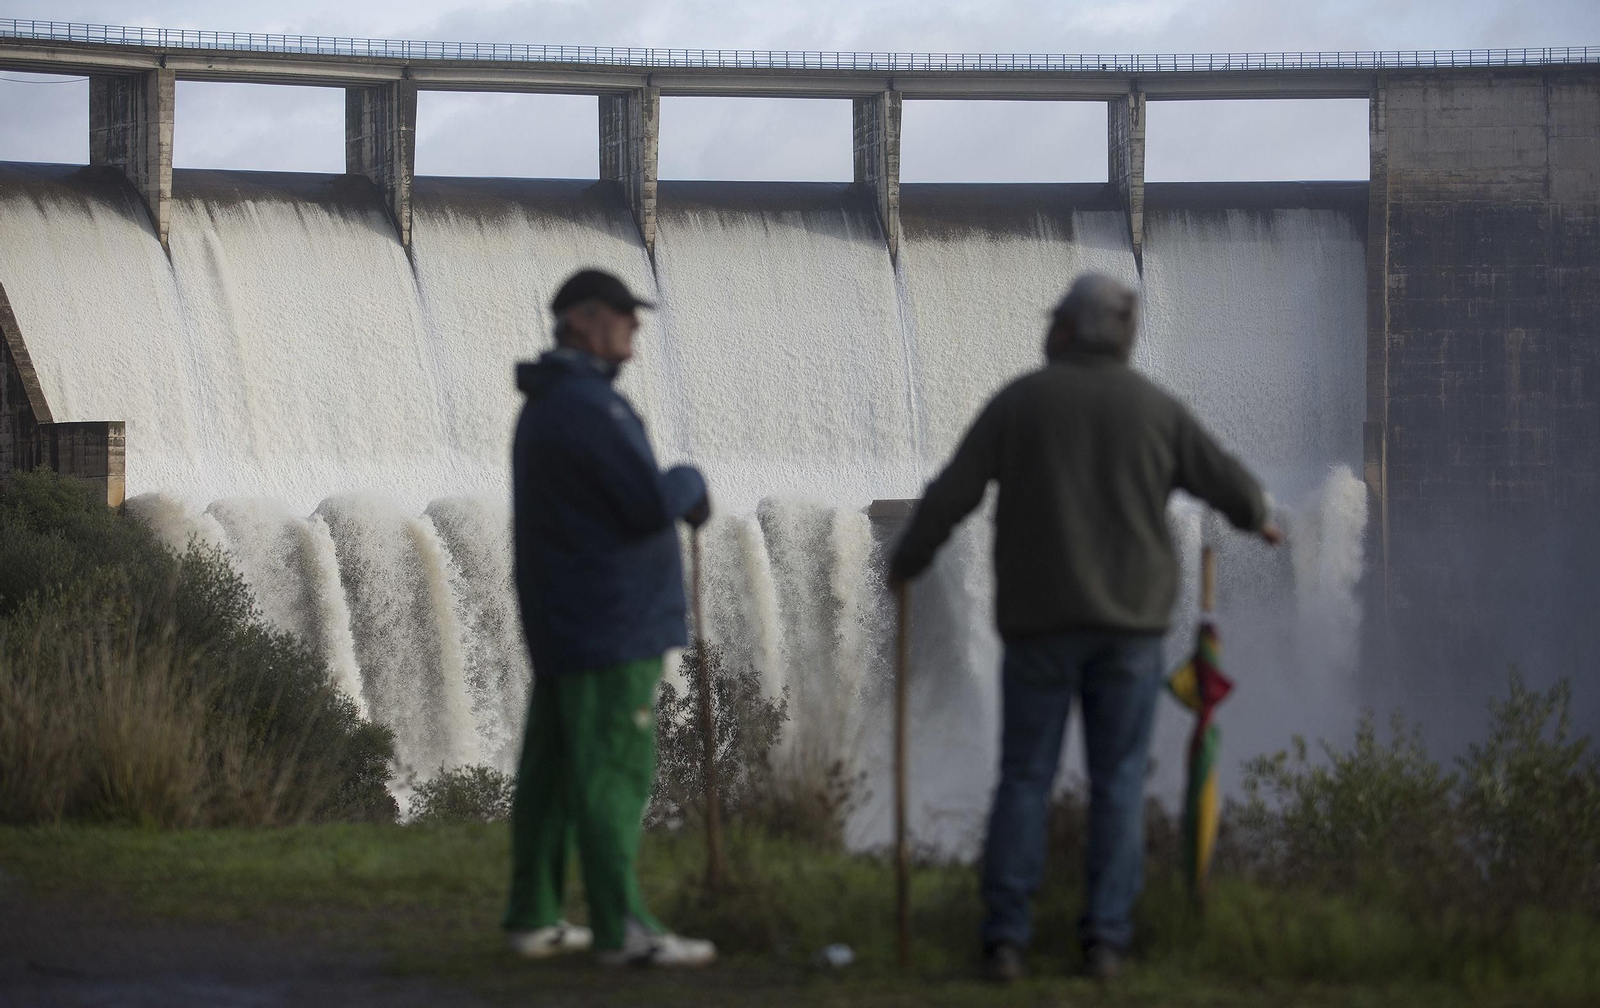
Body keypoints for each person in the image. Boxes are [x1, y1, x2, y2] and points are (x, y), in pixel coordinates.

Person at [888, 273, 1282, 984]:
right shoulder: (1156, 410)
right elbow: (1231, 485)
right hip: (1130, 630)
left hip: (1039, 627)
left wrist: (908, 560)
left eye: (1054, 322)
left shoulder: (1021, 403)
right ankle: (1105, 941)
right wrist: (1259, 520)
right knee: (1119, 783)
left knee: (1024, 777)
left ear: (1069, 330)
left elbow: (952, 492)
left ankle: (1005, 940)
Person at [504, 268, 716, 968]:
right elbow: (644, 504)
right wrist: (689, 481)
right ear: (582, 320)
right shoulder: (592, 407)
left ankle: (534, 915)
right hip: (610, 625)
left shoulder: (548, 404)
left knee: (553, 774)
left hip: (565, 620)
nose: (635, 324)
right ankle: (623, 930)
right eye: (622, 312)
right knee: (612, 777)